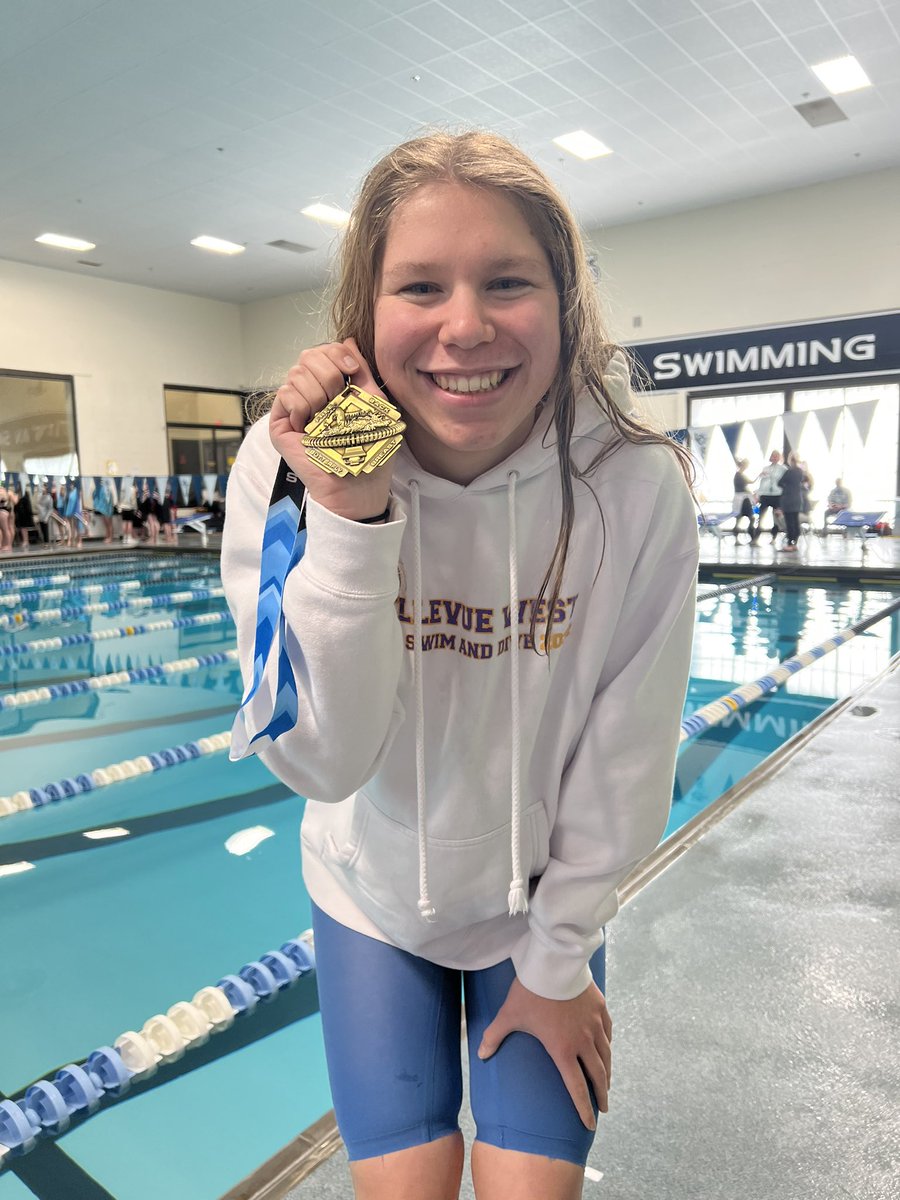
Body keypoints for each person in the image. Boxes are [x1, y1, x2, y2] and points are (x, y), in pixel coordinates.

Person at [222, 131, 699, 1200]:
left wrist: (561, 956)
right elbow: (319, 761)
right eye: (422, 285)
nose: (466, 326)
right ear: (366, 308)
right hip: (370, 898)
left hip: (536, 904)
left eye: (508, 282)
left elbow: (626, 759)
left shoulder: (634, 486)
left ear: (565, 301)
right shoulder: (287, 464)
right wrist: (353, 511)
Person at [751, 449, 785, 542]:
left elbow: (784, 482)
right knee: (760, 516)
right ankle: (756, 537)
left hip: (777, 495)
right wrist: (758, 494)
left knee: (776, 517)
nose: (774, 458)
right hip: (765, 495)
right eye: (772, 456)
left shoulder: (783, 469)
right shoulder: (765, 468)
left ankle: (773, 537)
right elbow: (762, 483)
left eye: (776, 456)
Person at [777, 452, 809, 552]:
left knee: (789, 522)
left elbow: (779, 483)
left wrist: (786, 486)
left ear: (790, 460)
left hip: (788, 499)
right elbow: (805, 483)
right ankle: (795, 542)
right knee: (795, 521)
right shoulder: (801, 472)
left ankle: (790, 543)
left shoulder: (789, 471)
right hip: (798, 499)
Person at [732, 458, 755, 539]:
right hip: (742, 500)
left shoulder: (741, 475)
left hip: (744, 499)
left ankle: (750, 535)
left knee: (749, 518)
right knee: (740, 518)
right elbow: (748, 483)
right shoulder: (739, 475)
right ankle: (738, 537)